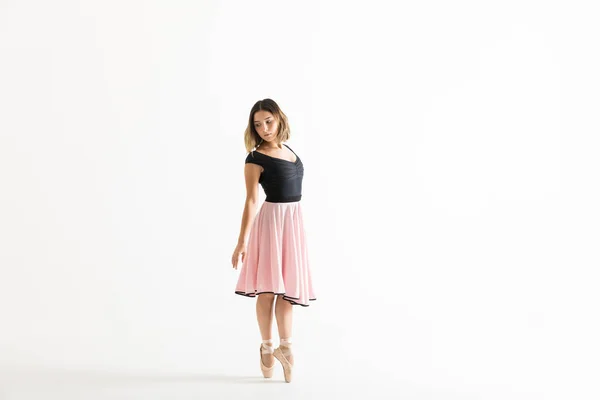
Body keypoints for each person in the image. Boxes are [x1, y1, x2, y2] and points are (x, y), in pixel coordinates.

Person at [231, 98, 316, 383]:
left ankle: (286, 347)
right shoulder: (255, 158)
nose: (264, 128)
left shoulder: (289, 150)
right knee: (268, 289)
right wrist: (242, 241)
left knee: (287, 290)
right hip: (271, 223)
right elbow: (252, 199)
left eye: (268, 121)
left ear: (279, 119)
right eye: (258, 124)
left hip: (293, 221)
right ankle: (267, 347)